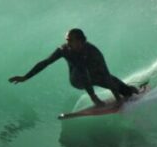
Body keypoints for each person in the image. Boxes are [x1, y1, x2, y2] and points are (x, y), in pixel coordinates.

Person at [9, 28, 139, 107]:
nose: (67, 43)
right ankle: (94, 98)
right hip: (77, 79)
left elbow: (105, 74)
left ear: (81, 41)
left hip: (95, 77)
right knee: (82, 67)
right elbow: (45, 62)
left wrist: (118, 98)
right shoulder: (64, 50)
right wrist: (25, 77)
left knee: (126, 90)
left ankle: (129, 89)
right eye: (67, 40)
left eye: (70, 40)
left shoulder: (94, 52)